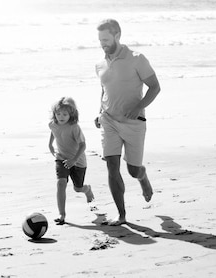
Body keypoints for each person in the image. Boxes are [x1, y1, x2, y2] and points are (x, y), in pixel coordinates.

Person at [94, 19, 161, 226]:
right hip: (109, 121)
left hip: (133, 123)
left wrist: (138, 106)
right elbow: (104, 91)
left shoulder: (137, 59)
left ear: (117, 35)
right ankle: (122, 215)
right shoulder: (100, 64)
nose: (102, 43)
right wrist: (99, 112)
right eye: (99, 40)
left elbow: (155, 87)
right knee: (112, 167)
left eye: (105, 39)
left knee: (133, 170)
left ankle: (143, 177)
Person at [48, 97, 95, 225]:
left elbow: (83, 145)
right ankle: (62, 214)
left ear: (71, 114)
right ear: (54, 114)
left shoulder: (74, 127)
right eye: (58, 114)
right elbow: (54, 131)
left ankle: (87, 190)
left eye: (64, 114)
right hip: (61, 158)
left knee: (78, 188)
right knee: (61, 183)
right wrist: (50, 144)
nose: (61, 117)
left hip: (78, 161)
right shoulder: (53, 124)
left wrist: (74, 160)